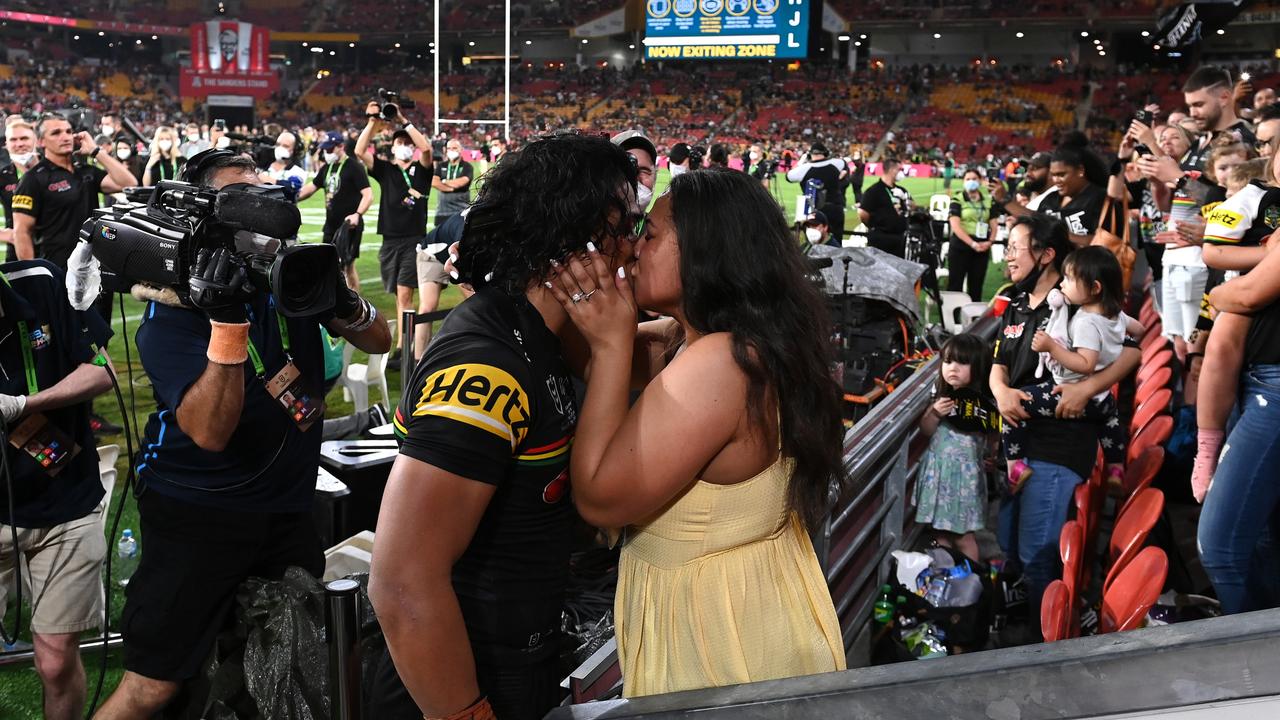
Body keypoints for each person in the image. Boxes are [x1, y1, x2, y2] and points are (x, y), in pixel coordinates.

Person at [94, 150, 391, 719]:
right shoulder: (176, 305)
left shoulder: (289, 275)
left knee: (285, 657)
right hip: (199, 511)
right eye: (240, 193)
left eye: (263, 186)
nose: (261, 200)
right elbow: (209, 432)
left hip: (286, 507)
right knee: (155, 685)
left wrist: (338, 294)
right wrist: (228, 323)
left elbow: (380, 341)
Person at [543, 167, 846, 698]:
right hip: (750, 610)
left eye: (650, 235)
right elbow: (580, 350)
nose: (635, 247)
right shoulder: (725, 341)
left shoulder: (720, 363)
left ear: (706, 250)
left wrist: (613, 345)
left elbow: (599, 498)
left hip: (718, 640)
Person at [368, 133, 639, 720]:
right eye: (625, 228)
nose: (633, 248)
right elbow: (402, 586)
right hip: (458, 681)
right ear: (577, 243)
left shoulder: (536, 331)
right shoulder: (485, 368)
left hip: (514, 653)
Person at [990, 213, 1140, 636]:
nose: (1009, 257)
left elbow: (1132, 350)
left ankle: (1048, 651)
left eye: (1016, 248)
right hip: (1017, 441)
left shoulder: (1078, 299)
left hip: (1056, 444)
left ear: (1046, 254)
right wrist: (1001, 392)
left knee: (1039, 555)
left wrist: (1087, 387)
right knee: (1013, 546)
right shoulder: (1016, 303)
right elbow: (999, 364)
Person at [0, 258, 114, 720]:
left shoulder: (42, 284)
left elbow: (103, 371)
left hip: (65, 502)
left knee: (55, 659)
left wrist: (27, 404)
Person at [1003, 246, 1143, 493]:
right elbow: (1139, 330)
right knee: (1110, 423)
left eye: (1069, 279)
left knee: (1014, 404)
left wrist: (1051, 348)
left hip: (1073, 393)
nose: (1063, 285)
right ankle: (1116, 468)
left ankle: (1015, 467)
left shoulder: (1086, 322)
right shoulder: (1115, 315)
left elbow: (1085, 364)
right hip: (1102, 398)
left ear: (1095, 288)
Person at [1197, 234, 1280, 613]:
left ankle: (1256, 661)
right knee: (1263, 538)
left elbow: (1243, 295)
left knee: (1220, 548)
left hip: (1274, 391)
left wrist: (1220, 294)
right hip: (1260, 381)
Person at [355, 100, 434, 366]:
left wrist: (402, 120)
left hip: (413, 239)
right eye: (400, 142)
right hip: (389, 240)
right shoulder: (386, 170)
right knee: (399, 295)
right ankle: (404, 345)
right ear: (392, 147)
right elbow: (359, 149)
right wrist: (372, 122)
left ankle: (404, 348)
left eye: (407, 143)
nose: (405, 146)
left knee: (404, 294)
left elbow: (426, 148)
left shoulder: (422, 171)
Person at [12, 114, 137, 269]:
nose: (65, 137)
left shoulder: (86, 171)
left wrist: (95, 151)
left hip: (93, 266)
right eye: (56, 133)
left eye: (68, 131)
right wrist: (33, 276)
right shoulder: (33, 179)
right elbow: (22, 232)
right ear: (41, 142)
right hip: (56, 269)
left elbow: (129, 183)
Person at [916, 333, 997, 562]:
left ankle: (969, 581)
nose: (952, 368)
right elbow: (926, 430)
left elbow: (993, 435)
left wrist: (993, 455)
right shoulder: (941, 395)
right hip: (939, 473)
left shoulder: (984, 404)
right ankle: (944, 577)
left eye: (962, 363)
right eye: (948, 361)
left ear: (979, 367)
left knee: (963, 537)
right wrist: (934, 413)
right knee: (939, 533)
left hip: (965, 478)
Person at [296, 132, 371, 290]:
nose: (326, 153)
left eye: (330, 150)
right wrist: (290, 198)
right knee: (329, 264)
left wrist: (357, 215)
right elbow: (311, 188)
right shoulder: (327, 167)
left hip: (349, 226)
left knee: (347, 265)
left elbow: (368, 195)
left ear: (341, 147)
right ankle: (334, 300)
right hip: (330, 225)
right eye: (325, 150)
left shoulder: (354, 167)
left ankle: (355, 302)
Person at [947, 167, 997, 301]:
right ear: (963, 181)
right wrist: (972, 243)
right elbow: (955, 226)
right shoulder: (957, 199)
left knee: (976, 286)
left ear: (980, 181)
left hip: (982, 248)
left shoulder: (988, 200)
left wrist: (990, 242)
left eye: (974, 179)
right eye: (968, 179)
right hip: (960, 247)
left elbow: (994, 224)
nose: (971, 182)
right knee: (955, 285)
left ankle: (973, 319)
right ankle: (953, 319)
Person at [787, 142, 847, 245]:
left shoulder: (804, 168)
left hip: (816, 212)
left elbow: (789, 176)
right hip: (836, 208)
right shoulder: (837, 163)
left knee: (814, 244)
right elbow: (844, 166)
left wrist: (801, 161)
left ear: (810, 154)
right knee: (836, 243)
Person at [858, 157, 911, 257]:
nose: (901, 173)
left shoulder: (901, 191)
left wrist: (905, 198)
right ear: (892, 170)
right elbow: (862, 214)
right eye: (899, 170)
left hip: (899, 238)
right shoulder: (874, 191)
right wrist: (875, 226)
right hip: (880, 238)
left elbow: (912, 206)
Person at [0, 120, 38, 262]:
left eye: (24, 138)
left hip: (55, 252)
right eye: (13, 140)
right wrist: (5, 235)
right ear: (6, 144)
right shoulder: (3, 176)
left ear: (36, 140)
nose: (19, 144)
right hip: (17, 254)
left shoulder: (53, 170)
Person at [431, 137, 472, 229]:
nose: (451, 150)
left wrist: (443, 181)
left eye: (454, 148)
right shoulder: (441, 165)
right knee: (440, 241)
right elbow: (434, 182)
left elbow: (462, 182)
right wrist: (450, 187)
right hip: (442, 212)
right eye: (449, 148)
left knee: (459, 241)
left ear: (460, 149)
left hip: (461, 211)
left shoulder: (467, 166)